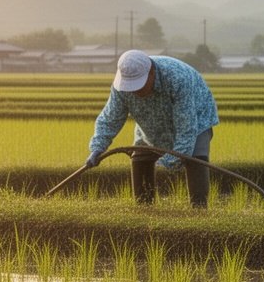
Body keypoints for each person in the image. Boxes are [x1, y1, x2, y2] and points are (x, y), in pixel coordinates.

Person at [88, 49, 220, 207]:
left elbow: (186, 127)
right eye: (131, 87)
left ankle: (199, 209)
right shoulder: (121, 87)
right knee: (140, 156)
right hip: (149, 119)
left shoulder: (177, 78)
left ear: (151, 72)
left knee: (195, 157)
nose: (135, 91)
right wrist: (97, 147)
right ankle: (144, 207)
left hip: (196, 116)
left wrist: (172, 159)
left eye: (138, 85)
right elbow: (110, 118)